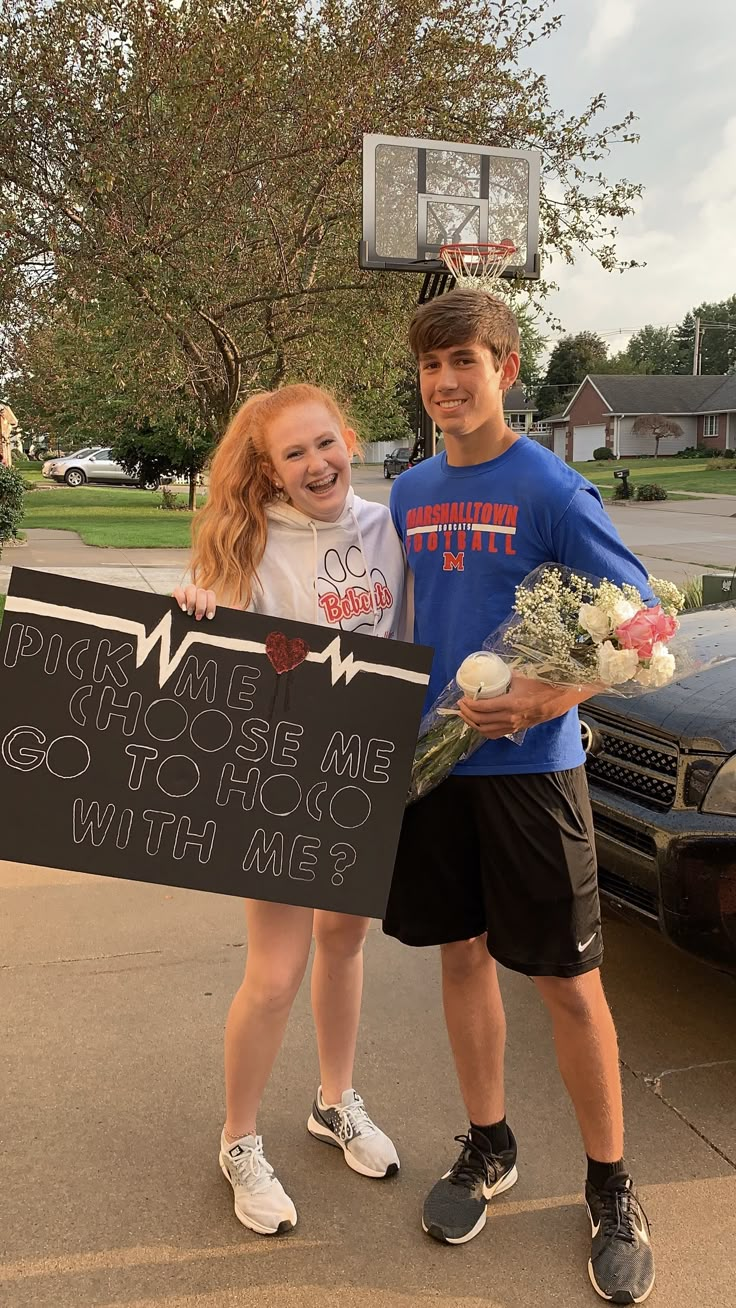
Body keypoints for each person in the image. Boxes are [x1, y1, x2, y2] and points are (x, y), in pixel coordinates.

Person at [384, 290, 656, 1304]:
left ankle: (612, 1186)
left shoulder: (551, 487)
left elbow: (642, 629)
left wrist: (557, 691)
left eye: (462, 360)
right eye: (428, 368)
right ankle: (489, 1145)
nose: (445, 383)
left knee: (566, 984)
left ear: (503, 367)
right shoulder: (406, 492)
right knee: (459, 958)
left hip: (534, 778)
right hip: (433, 772)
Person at [174, 383, 406, 1236]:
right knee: (273, 977)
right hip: (274, 780)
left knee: (344, 940)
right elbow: (208, 651)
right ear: (267, 472)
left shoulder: (390, 529)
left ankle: (334, 1101)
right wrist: (195, 604)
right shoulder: (248, 544)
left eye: (325, 444)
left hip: (364, 771)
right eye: (293, 454)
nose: (317, 465)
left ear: (350, 438)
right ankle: (238, 1139)